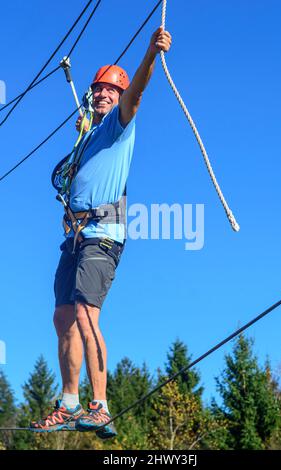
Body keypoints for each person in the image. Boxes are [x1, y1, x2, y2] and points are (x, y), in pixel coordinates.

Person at [30, 27, 172, 438]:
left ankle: (100, 405)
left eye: (110, 91)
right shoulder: (87, 137)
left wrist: (149, 55)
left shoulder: (117, 127)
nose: (102, 95)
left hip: (103, 232)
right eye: (98, 90)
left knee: (85, 314)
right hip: (75, 235)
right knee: (62, 317)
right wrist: (82, 131)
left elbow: (137, 94)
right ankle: (70, 402)